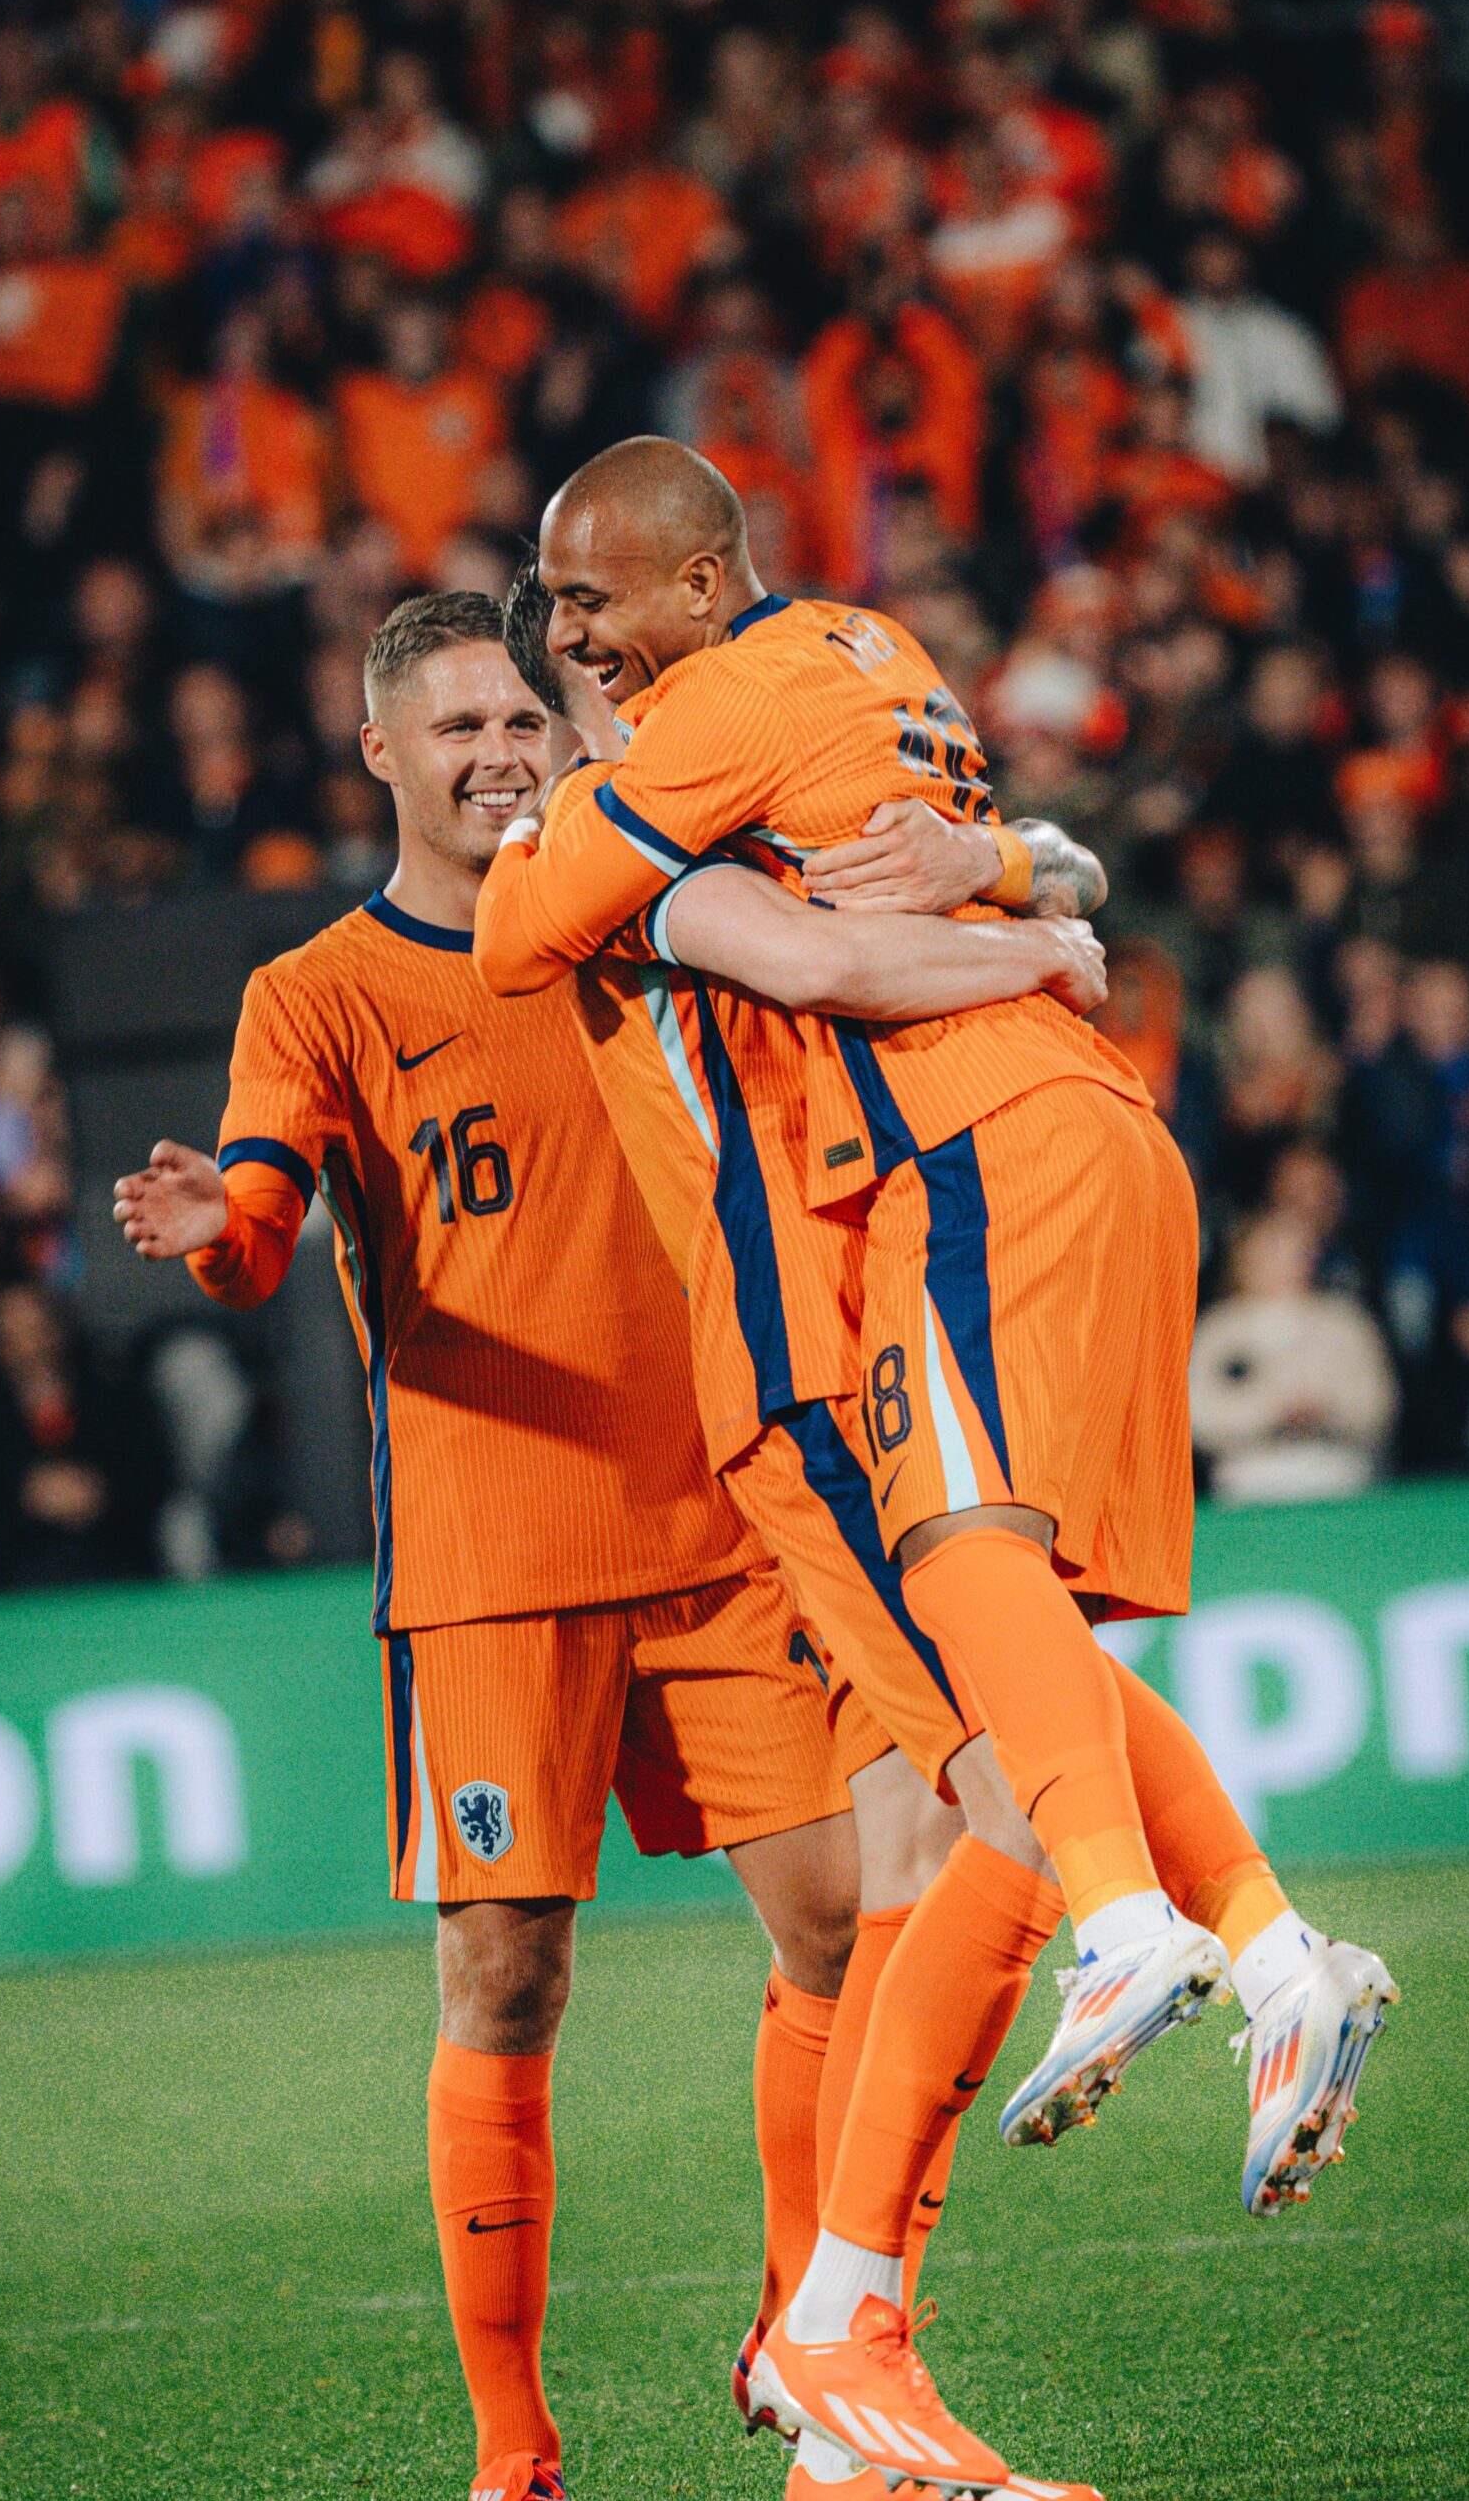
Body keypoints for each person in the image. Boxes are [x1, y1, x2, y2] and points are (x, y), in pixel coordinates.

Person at [113, 592, 1109, 2501]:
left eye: (523, 717)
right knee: (507, 1983)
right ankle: (513, 2449)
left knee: (840, 1931)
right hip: (491, 1562)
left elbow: (871, 943)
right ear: (380, 749)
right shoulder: (316, 991)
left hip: (729, 1521)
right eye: (461, 725)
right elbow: (259, 1220)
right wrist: (216, 1238)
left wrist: (1015, 881)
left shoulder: (644, 910)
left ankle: (805, 2367)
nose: (503, 751)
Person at [474, 441, 1396, 2490]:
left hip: (852, 1296)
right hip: (802, 1338)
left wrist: (1021, 866)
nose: (542, 669)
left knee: (963, 1802)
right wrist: (1039, 937)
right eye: (483, 691)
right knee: (992, 1777)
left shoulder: (738, 749)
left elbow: (944, 848)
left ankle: (847, 2361)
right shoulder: (626, 851)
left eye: (545, 657)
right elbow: (826, 959)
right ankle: (856, 2322)